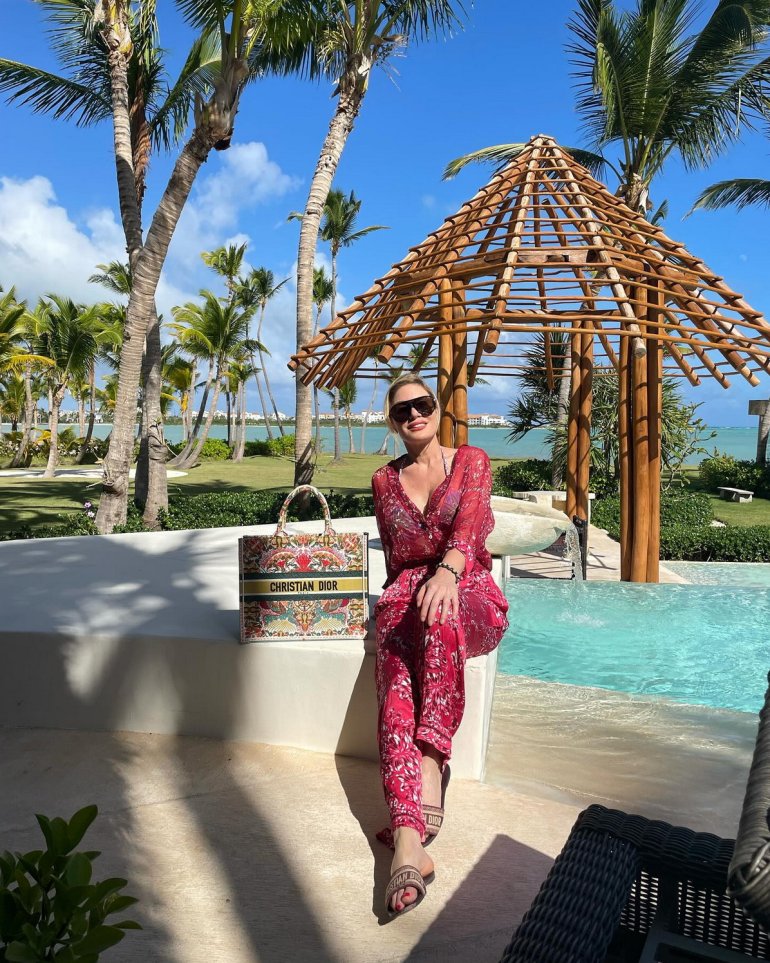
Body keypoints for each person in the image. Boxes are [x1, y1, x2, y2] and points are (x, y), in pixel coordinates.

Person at [371, 373, 509, 916]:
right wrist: (404, 599)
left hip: (468, 589)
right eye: (401, 411)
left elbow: (469, 529)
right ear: (392, 422)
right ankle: (408, 842)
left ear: (438, 407)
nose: (414, 415)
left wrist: (447, 572)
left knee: (440, 619)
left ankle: (431, 760)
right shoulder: (384, 480)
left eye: (421, 404)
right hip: (408, 592)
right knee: (395, 694)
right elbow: (395, 558)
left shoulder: (471, 461)